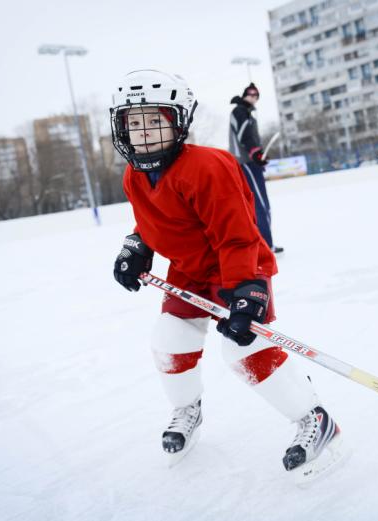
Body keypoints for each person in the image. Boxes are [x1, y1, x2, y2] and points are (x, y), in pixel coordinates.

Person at [109, 70, 341, 478]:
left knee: (244, 350)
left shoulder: (208, 166)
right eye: (133, 122)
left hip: (237, 267)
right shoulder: (134, 174)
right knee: (170, 338)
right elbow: (153, 221)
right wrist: (138, 246)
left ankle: (314, 419)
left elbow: (237, 235)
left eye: (154, 120)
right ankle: (188, 412)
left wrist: (246, 292)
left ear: (179, 121)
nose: (142, 132)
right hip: (188, 272)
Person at [229, 83, 283, 254]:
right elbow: (244, 137)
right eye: (250, 94)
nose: (253, 97)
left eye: (256, 95)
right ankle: (266, 245)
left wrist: (259, 155)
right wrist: (255, 154)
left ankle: (262, 244)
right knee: (260, 204)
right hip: (246, 163)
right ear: (244, 95)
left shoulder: (248, 114)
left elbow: (251, 139)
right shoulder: (240, 111)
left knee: (258, 204)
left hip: (250, 162)